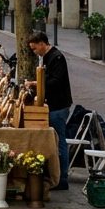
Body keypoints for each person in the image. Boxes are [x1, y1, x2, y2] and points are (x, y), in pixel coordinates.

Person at [25, 32, 73, 190]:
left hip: (58, 105)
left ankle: (62, 178)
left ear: (41, 43)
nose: (34, 52)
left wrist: (35, 83)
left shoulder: (56, 57)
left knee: (59, 141)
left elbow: (55, 81)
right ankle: (55, 175)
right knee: (55, 141)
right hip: (51, 104)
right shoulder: (46, 57)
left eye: (34, 48)